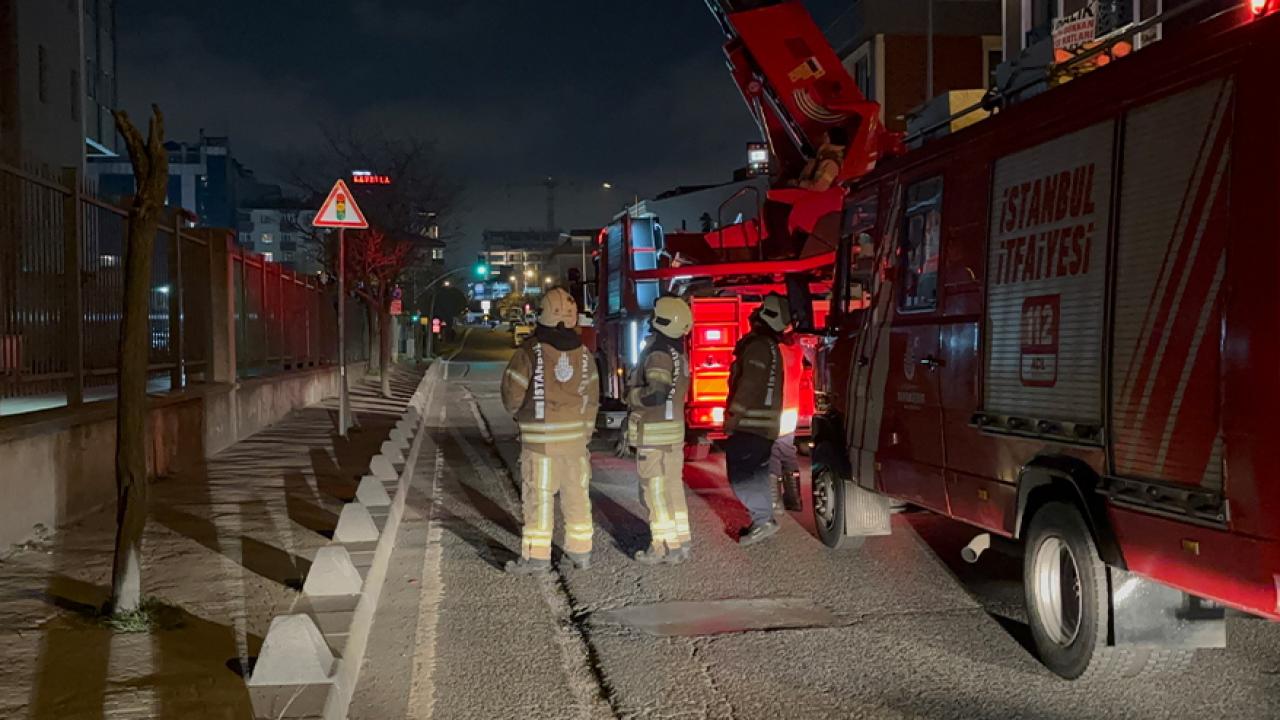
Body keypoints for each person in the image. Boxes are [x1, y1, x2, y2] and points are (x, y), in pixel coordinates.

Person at [500, 287, 600, 574]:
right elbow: (592, 398)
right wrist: (586, 432)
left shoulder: (529, 352)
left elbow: (512, 395)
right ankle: (581, 553)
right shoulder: (584, 355)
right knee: (577, 495)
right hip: (575, 443)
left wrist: (522, 417)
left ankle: (536, 557)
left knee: (539, 497)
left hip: (540, 443)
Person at [626, 296, 695, 565]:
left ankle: (662, 546)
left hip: (653, 433)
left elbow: (655, 393)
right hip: (673, 432)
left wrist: (631, 397)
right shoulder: (679, 354)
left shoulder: (658, 354)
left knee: (654, 490)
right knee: (672, 487)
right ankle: (681, 541)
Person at [723, 292, 791, 545]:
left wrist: (733, 416)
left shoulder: (758, 347)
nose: (755, 312)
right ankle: (763, 517)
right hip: (764, 425)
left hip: (750, 425)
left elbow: (749, 385)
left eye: (762, 308)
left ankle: (763, 520)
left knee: (741, 476)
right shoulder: (769, 347)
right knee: (755, 473)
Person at [770, 326, 804, 513]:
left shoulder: (776, 351)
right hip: (792, 409)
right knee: (787, 451)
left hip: (776, 409)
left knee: (772, 451)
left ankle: (775, 503)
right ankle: (794, 499)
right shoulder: (796, 352)